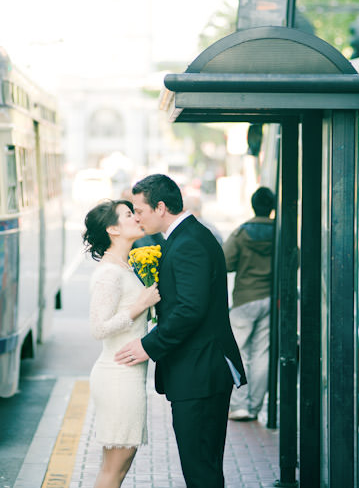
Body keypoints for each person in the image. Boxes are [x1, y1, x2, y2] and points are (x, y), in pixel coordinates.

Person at [115, 173, 246, 488]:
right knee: (204, 465)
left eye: (140, 211)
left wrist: (149, 345)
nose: (137, 218)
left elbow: (190, 309)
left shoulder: (188, 243)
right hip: (200, 371)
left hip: (200, 373)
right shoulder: (188, 237)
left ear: (161, 208)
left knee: (200, 468)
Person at [83, 200, 161, 488]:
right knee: (115, 467)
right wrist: (140, 305)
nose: (136, 217)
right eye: (129, 215)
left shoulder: (124, 266)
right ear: (113, 229)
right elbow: (98, 328)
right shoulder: (109, 273)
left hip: (126, 372)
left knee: (118, 464)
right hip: (117, 375)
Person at [224, 186, 275, 422]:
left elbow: (225, 262)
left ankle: (240, 405)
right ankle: (255, 407)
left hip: (245, 299)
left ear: (253, 205)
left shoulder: (241, 233)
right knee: (262, 354)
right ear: (272, 207)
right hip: (271, 299)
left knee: (239, 352)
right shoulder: (280, 232)